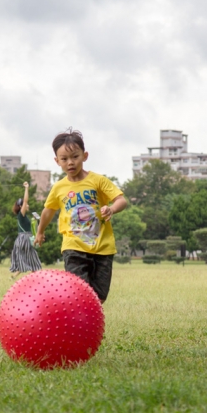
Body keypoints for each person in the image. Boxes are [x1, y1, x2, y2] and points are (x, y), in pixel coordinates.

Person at [34, 129, 127, 304]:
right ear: (57, 161)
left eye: (75, 157)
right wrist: (40, 232)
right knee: (78, 291)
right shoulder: (59, 188)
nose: (70, 162)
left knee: (99, 295)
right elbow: (48, 211)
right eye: (64, 159)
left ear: (84, 156)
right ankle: (77, 329)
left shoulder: (98, 181)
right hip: (74, 246)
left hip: (102, 247)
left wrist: (112, 209)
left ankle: (91, 327)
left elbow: (121, 200)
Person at [10, 181, 42, 279]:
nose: (27, 205)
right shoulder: (21, 214)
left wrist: (34, 220)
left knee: (29, 258)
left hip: (21, 239)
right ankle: (37, 276)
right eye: (24, 205)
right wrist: (27, 188)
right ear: (21, 206)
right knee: (33, 257)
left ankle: (14, 276)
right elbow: (25, 201)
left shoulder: (23, 217)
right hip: (25, 238)